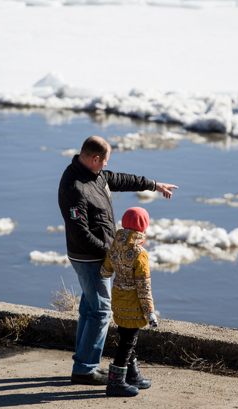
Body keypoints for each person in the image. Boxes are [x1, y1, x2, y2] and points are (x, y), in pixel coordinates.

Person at [58, 135, 177, 385]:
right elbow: (80, 232)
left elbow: (120, 179)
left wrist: (153, 185)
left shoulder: (96, 174)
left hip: (97, 255)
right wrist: (110, 253)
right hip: (89, 257)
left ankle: (83, 363)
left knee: (89, 308)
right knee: (100, 311)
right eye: (105, 161)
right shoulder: (73, 186)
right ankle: (84, 369)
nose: (106, 167)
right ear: (95, 158)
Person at [100, 207, 157, 397]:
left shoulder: (115, 246)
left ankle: (132, 375)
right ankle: (116, 382)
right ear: (143, 227)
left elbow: (105, 272)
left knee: (125, 338)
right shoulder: (140, 253)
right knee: (128, 343)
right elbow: (144, 286)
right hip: (133, 304)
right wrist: (150, 312)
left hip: (117, 301)